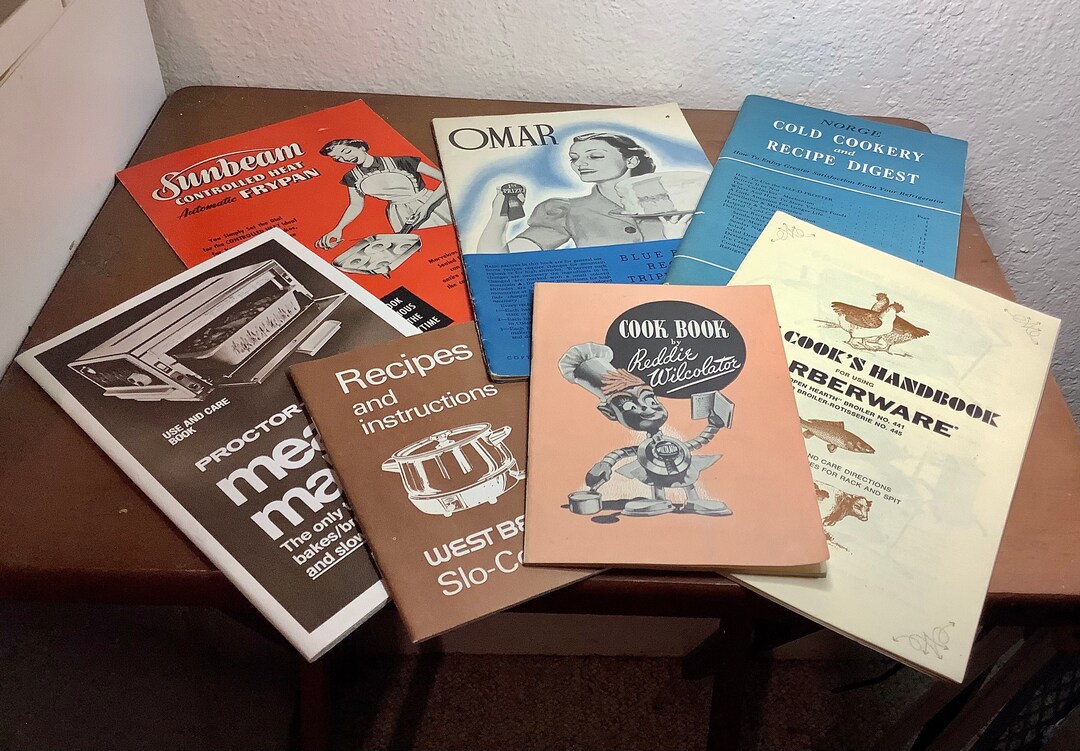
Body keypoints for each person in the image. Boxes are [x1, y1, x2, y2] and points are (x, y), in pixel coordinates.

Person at [477, 132, 690, 253]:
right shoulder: (565, 210)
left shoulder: (677, 200)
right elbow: (499, 262)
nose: (580, 164)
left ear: (631, 161)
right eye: (574, 159)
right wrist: (499, 218)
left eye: (594, 156)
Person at [315, 139, 451, 250]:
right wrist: (338, 229)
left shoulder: (402, 161)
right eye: (338, 158)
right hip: (400, 214)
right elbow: (355, 205)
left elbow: (447, 180)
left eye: (347, 151)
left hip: (431, 202)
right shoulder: (351, 177)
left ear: (361, 147)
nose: (346, 158)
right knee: (426, 247)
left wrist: (426, 206)